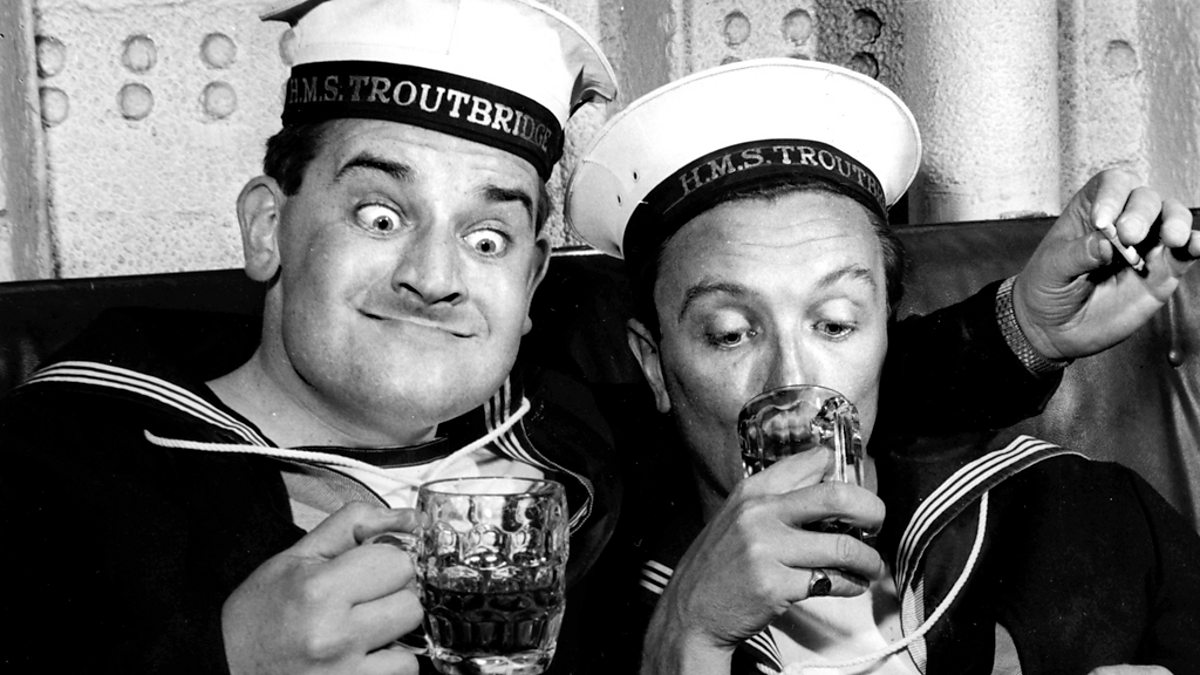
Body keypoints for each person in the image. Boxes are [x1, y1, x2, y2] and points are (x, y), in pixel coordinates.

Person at [0, 1, 1187, 672]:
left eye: (488, 235)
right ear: (268, 226)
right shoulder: (66, 476)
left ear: (530, 283)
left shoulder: (563, 430)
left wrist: (1022, 326)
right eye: (379, 214)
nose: (433, 275)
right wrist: (218, 663)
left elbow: (782, 393)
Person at [563, 58, 1200, 674]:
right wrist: (688, 640)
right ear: (654, 365)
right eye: (729, 335)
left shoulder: (1083, 516)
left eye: (836, 324)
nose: (793, 383)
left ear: (886, 335)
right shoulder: (568, 610)